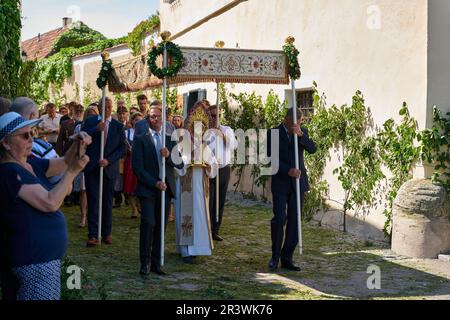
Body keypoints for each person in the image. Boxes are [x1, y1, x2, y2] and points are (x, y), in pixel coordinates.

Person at [0, 112, 91, 300]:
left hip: (42, 261)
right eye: (24, 135)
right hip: (34, 262)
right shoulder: (9, 172)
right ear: (6, 144)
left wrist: (77, 144)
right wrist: (73, 173)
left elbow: (64, 162)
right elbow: (50, 202)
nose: (31, 138)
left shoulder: (29, 163)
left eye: (32, 132)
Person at [132, 106, 183, 276]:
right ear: (148, 119)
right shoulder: (141, 138)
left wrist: (169, 155)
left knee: (161, 226)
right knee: (148, 223)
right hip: (148, 189)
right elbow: (137, 168)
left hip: (165, 190)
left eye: (157, 117)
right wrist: (155, 183)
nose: (154, 119)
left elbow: (180, 163)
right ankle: (144, 262)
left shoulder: (169, 139)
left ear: (163, 119)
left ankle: (156, 263)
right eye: (151, 117)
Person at [267, 108, 316, 272]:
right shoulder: (273, 132)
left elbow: (313, 149)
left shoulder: (302, 132)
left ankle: (287, 257)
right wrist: (287, 170)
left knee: (295, 221)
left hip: (298, 183)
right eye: (295, 121)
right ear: (286, 119)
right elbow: (270, 158)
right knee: (280, 219)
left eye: (300, 121)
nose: (297, 124)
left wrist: (301, 135)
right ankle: (274, 257)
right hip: (281, 182)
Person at [175, 101, 217, 264]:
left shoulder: (206, 146)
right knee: (186, 216)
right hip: (187, 186)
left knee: (199, 216)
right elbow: (177, 165)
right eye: (195, 127)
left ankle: (199, 248)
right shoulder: (182, 143)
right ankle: (186, 250)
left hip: (201, 188)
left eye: (202, 128)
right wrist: (188, 161)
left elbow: (213, 167)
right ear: (190, 128)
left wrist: (207, 166)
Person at [82, 97, 126, 247]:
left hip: (109, 168)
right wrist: (96, 129)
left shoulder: (117, 126)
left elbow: (122, 148)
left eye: (109, 107)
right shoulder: (90, 122)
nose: (107, 109)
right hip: (92, 167)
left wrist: (109, 160)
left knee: (107, 202)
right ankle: (93, 234)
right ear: (99, 107)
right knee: (93, 201)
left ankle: (106, 232)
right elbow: (82, 137)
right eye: (104, 107)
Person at [206, 105, 238, 241]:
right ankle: (206, 228)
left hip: (223, 168)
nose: (214, 118)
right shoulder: (204, 131)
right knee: (209, 199)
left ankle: (215, 229)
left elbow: (234, 146)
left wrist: (222, 135)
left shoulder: (227, 130)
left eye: (217, 116)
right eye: (212, 116)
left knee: (220, 199)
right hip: (208, 169)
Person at [74, 104, 99, 228]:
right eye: (89, 114)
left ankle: (94, 216)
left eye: (94, 114)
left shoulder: (102, 127)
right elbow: (77, 143)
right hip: (84, 161)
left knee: (95, 191)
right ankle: (83, 216)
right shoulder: (80, 126)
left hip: (97, 162)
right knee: (83, 191)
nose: (91, 117)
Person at [123, 112, 143, 218]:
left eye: (140, 120)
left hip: (141, 161)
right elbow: (122, 147)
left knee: (140, 185)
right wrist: (128, 150)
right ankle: (134, 209)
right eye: (136, 120)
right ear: (132, 121)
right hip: (130, 161)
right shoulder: (127, 133)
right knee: (130, 187)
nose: (138, 122)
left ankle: (139, 206)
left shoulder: (145, 133)